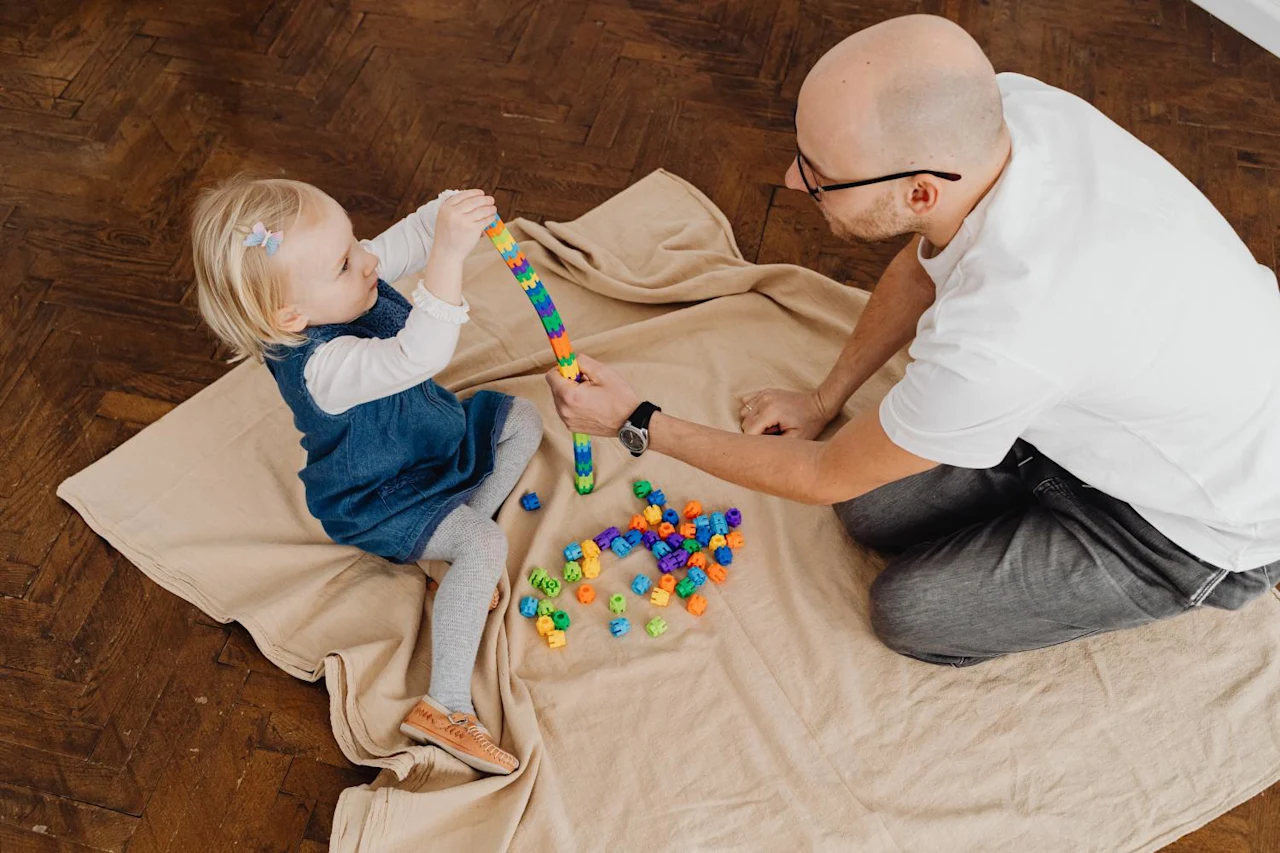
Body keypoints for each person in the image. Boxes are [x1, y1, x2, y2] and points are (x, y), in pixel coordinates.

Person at [545, 14, 1280, 667]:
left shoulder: (1006, 330)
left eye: (820, 176)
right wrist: (821, 397)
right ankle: (1029, 469)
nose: (790, 182)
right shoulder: (1008, 114)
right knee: (870, 510)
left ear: (921, 189)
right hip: (1097, 409)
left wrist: (637, 422)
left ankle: (1134, 567)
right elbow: (927, 268)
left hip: (1195, 526)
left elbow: (824, 473)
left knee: (912, 611)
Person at [191, 177, 535, 774]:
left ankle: (454, 544)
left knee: (522, 419)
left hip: (434, 443)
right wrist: (448, 257)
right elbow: (422, 356)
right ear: (292, 315)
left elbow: (403, 242)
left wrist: (445, 212)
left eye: (354, 241)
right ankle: (445, 704)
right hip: (382, 495)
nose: (368, 259)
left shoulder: (344, 280)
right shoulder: (321, 367)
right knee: (486, 545)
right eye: (348, 259)